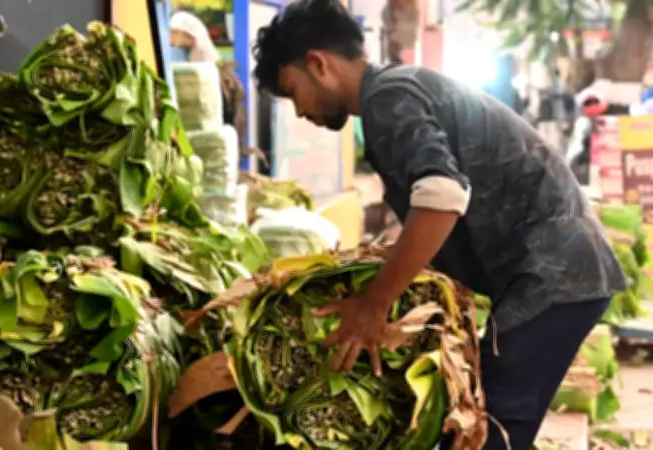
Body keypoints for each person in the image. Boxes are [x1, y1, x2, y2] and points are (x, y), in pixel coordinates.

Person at [251, 1, 626, 449]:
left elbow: (443, 195)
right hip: (553, 272)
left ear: (319, 64)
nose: (299, 112)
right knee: (478, 426)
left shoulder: (387, 98)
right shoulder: (398, 89)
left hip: (553, 275)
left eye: (292, 92)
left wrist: (374, 304)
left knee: (485, 433)